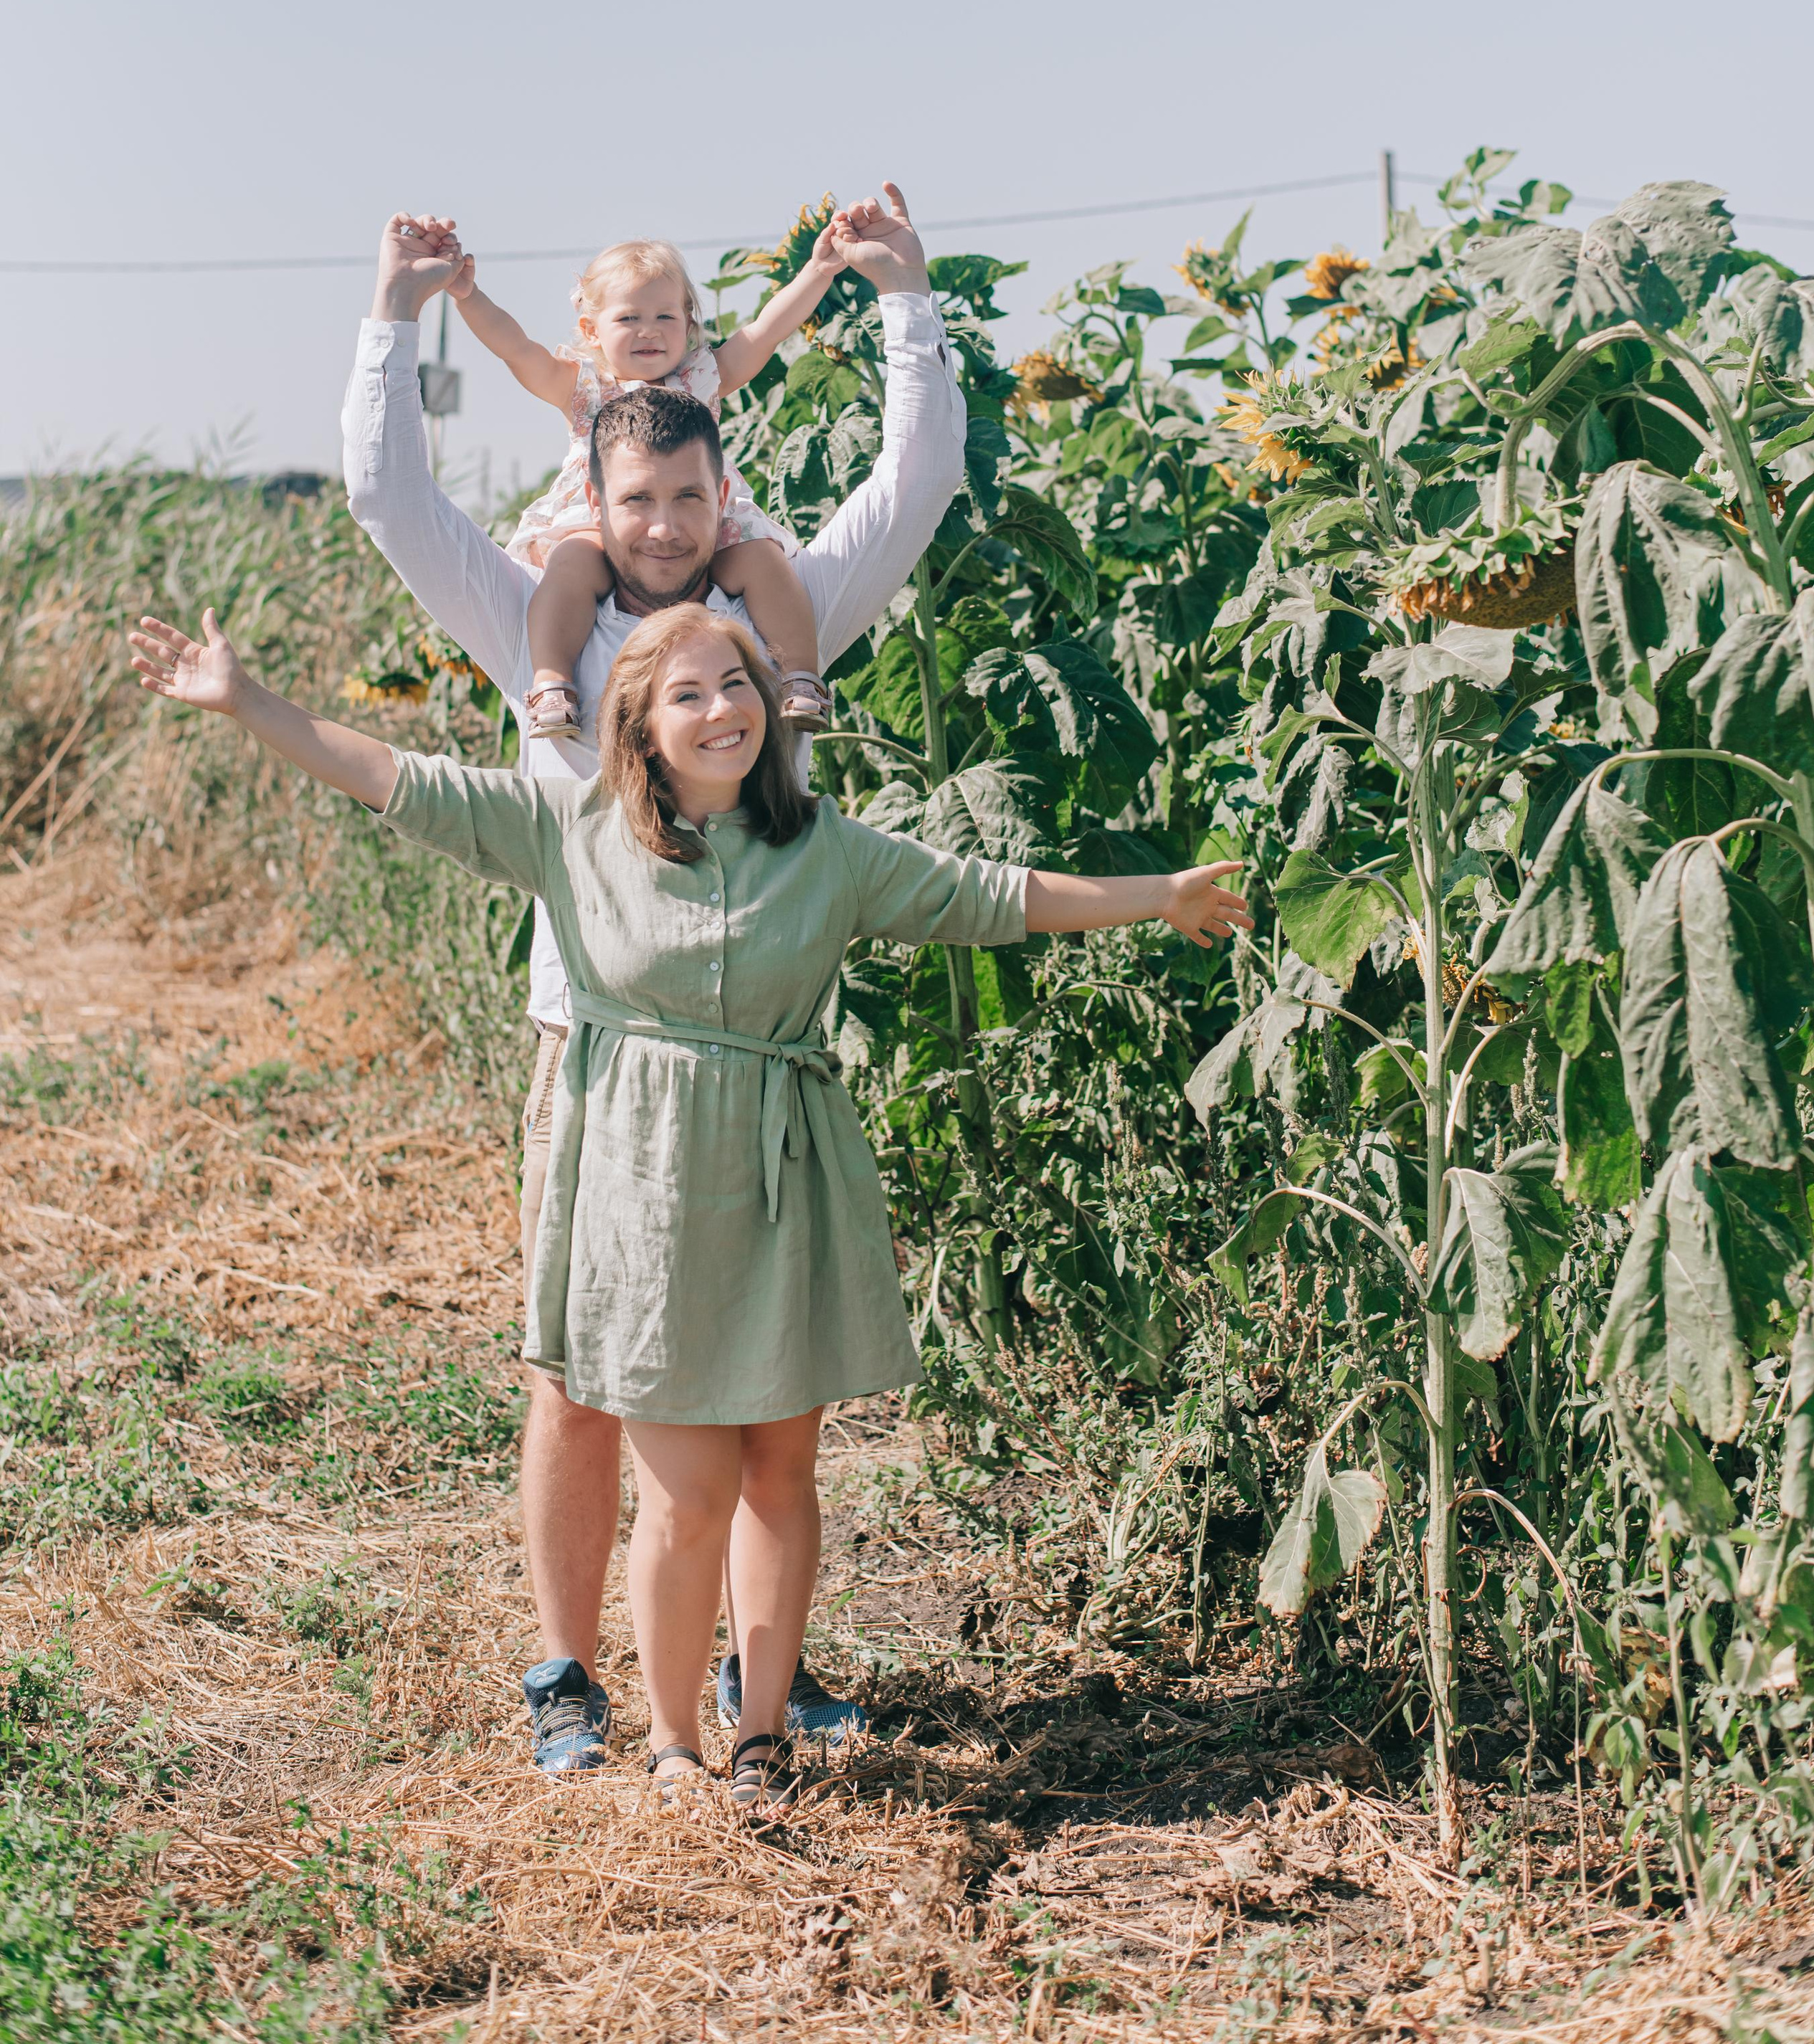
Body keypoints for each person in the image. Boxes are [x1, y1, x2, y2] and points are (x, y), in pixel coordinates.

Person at [128, 598, 1250, 1809]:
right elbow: (398, 777)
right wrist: (249, 701)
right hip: (640, 1186)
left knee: (779, 1470)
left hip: (784, 1180)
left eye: (738, 682)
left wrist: (1163, 892)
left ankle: (761, 1731)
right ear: (641, 728)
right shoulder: (569, 826)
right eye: (690, 692)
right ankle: (673, 1741)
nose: (723, 708)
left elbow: (993, 894)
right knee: (687, 1487)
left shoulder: (826, 846)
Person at [341, 189, 969, 1770]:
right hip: (598, 1050)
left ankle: (763, 1687)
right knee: (581, 1379)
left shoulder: (774, 631)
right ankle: (570, 1676)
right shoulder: (538, 634)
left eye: (691, 494)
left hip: (762, 1065)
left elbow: (915, 487)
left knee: (761, 1394)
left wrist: (903, 302)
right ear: (597, 500)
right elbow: (389, 498)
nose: (666, 522)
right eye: (637, 498)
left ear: (716, 488)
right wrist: (393, 317)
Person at [449, 227, 851, 740]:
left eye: (665, 317)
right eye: (629, 319)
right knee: (571, 565)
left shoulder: (700, 379)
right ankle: (552, 682)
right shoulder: (586, 389)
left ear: (688, 323)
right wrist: (468, 295)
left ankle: (800, 678)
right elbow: (516, 349)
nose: (649, 331)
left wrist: (819, 271)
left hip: (703, 519)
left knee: (763, 559)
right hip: (604, 524)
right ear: (591, 330)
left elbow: (767, 331)